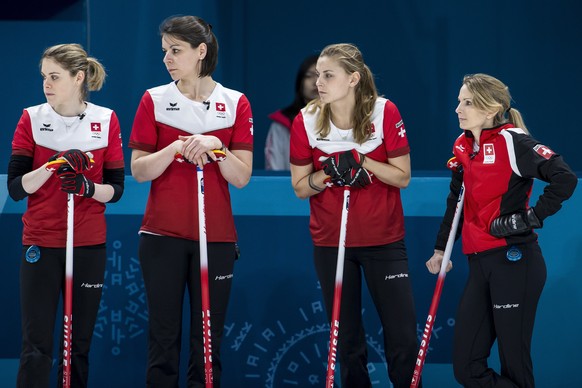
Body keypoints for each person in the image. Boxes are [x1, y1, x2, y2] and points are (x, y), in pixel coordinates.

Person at [426, 73, 577, 387]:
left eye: (467, 102)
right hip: (479, 263)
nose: (458, 108)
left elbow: (565, 178)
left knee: (515, 366)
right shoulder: (464, 147)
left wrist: (530, 218)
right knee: (466, 367)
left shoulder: (514, 142)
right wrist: (442, 248)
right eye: (458, 101)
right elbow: (456, 201)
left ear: (491, 109)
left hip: (515, 261)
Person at [128, 15, 253, 387]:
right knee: (163, 339)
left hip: (215, 238)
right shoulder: (154, 98)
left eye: (176, 50)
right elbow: (139, 170)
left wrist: (217, 146)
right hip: (162, 236)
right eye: (165, 51)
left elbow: (242, 176)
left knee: (207, 340)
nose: (167, 58)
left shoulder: (234, 102)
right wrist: (175, 147)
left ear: (201, 51)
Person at [290, 43, 420, 388]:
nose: (319, 81)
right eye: (318, 74)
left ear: (353, 79)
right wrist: (328, 173)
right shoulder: (306, 119)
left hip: (384, 241)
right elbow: (301, 187)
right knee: (346, 340)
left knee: (403, 337)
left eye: (328, 75)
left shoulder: (384, 112)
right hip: (332, 243)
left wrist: (363, 161)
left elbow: (402, 176)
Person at [7, 43, 125, 387]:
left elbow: (115, 190)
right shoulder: (32, 117)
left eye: (55, 77)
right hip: (42, 242)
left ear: (78, 78)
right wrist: (53, 165)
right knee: (36, 345)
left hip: (87, 244)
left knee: (78, 346)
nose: (47, 84)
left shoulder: (106, 120)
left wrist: (87, 187)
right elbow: (17, 188)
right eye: (44, 76)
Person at [265, 54, 318, 170]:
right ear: (300, 83)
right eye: (309, 76)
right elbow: (274, 170)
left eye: (322, 76)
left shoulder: (342, 122)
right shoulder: (282, 124)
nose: (316, 82)